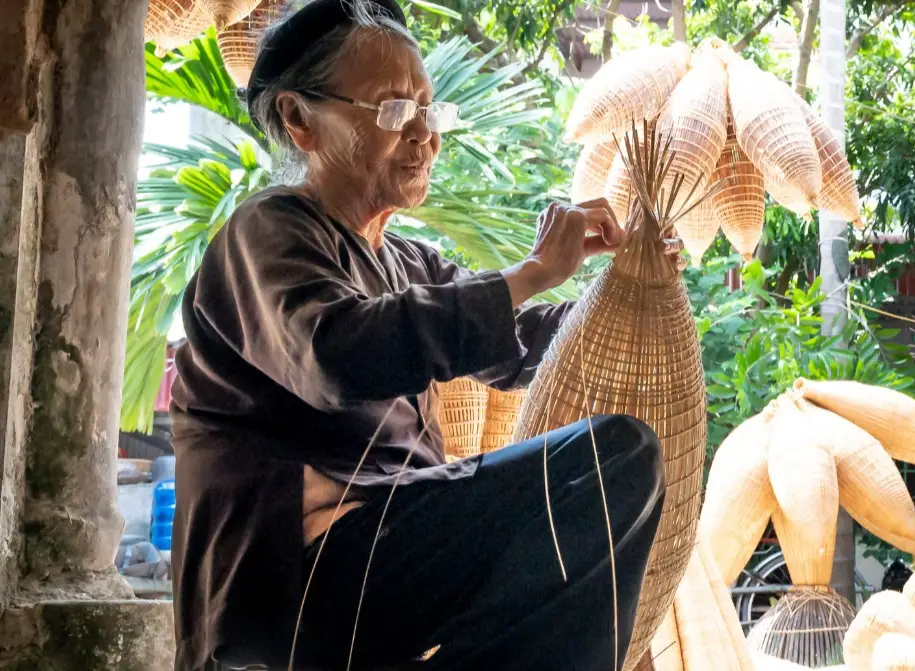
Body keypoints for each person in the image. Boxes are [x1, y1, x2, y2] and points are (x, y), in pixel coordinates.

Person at [169, 1, 682, 669]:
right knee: (612, 458)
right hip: (293, 594)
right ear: (299, 120)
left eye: (428, 110)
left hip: (386, 558)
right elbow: (337, 353)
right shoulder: (265, 234)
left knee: (612, 480)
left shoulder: (405, 260)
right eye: (391, 111)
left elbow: (518, 342)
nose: (424, 135)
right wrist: (529, 271)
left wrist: (630, 287)